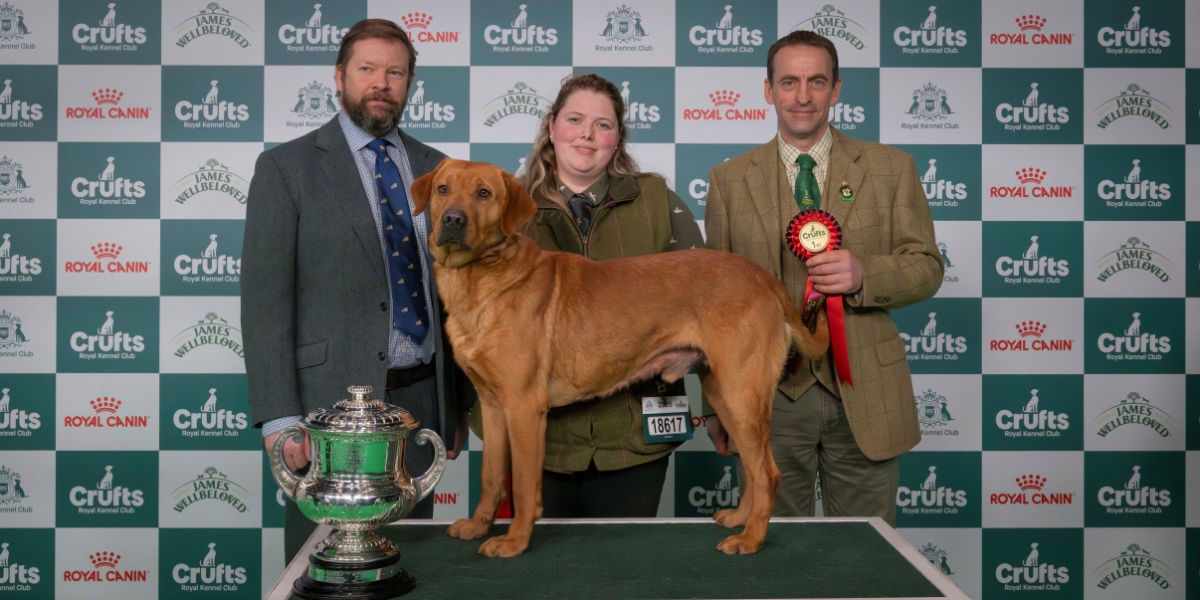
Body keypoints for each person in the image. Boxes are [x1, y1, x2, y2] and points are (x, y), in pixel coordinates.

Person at [242, 19, 474, 562]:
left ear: (410, 83)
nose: (381, 82)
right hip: (326, 413)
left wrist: (455, 405)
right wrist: (280, 418)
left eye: (395, 72)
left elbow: (457, 297)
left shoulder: (439, 169)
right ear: (340, 76)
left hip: (420, 404)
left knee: (412, 567)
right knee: (326, 567)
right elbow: (265, 301)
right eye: (367, 69)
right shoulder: (286, 168)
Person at [703, 30, 942, 525]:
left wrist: (864, 273)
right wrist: (716, 403)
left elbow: (927, 266)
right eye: (789, 82)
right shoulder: (728, 181)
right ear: (768, 90)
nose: (803, 96)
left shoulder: (892, 169)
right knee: (773, 552)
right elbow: (711, 308)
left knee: (867, 557)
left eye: (817, 81)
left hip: (866, 393)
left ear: (836, 89)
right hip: (768, 392)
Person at [514, 73, 704, 517]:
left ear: (617, 139)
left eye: (603, 125)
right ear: (551, 126)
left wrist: (716, 410)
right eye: (575, 119)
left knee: (624, 569)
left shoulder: (658, 200)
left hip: (636, 435)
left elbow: (710, 307)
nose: (586, 133)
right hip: (539, 439)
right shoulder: (508, 205)